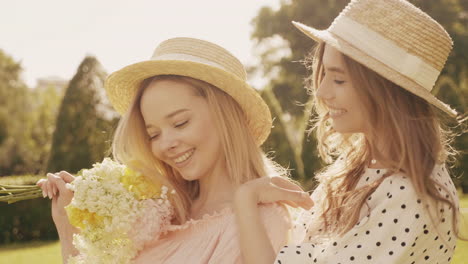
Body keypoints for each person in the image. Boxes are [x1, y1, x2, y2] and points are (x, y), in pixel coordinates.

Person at [233, 0, 464, 263]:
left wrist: (246, 201)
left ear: (386, 91)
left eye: (339, 79)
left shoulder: (411, 194)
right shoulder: (357, 166)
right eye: (324, 75)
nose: (321, 92)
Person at [37, 37, 296, 263]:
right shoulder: (153, 215)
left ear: (225, 116)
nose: (165, 144)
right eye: (153, 134)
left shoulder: (265, 218)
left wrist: (245, 199)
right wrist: (68, 224)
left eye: (180, 123)